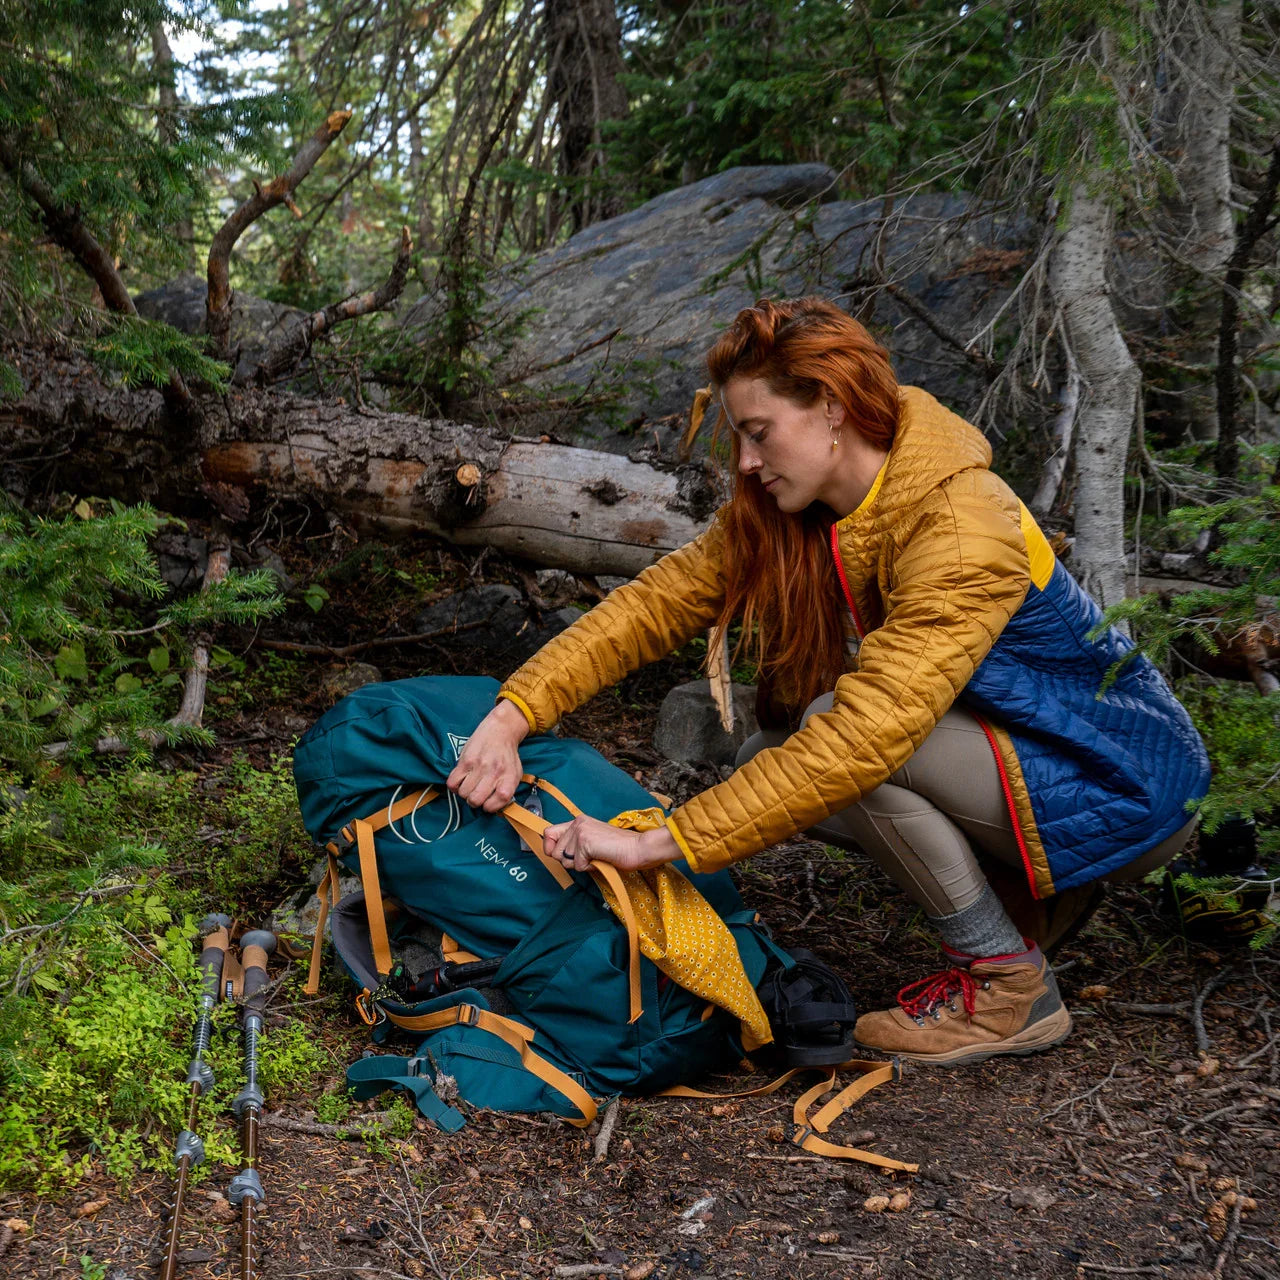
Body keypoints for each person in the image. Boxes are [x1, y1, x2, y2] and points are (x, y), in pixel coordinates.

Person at [446, 297, 1210, 1067]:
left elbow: (865, 738)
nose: (745, 461)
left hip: (1123, 778)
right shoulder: (810, 508)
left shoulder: (958, 520)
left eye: (758, 432)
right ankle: (1038, 894)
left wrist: (663, 843)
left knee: (835, 737)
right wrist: (514, 714)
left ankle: (1007, 985)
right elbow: (653, 604)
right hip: (1036, 752)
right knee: (766, 753)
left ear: (833, 409)